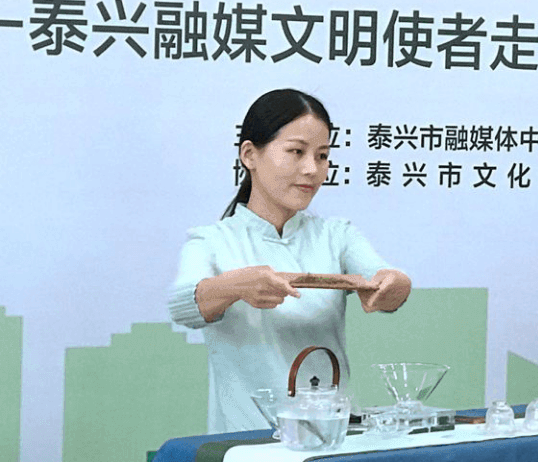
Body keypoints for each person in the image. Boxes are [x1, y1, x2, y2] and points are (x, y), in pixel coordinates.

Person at [168, 88, 412, 433]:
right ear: (249, 155)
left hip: (332, 437)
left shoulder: (337, 234)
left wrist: (394, 286)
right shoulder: (211, 241)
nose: (312, 169)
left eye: (322, 156)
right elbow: (182, 305)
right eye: (296, 152)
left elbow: (386, 279)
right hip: (246, 441)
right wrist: (237, 286)